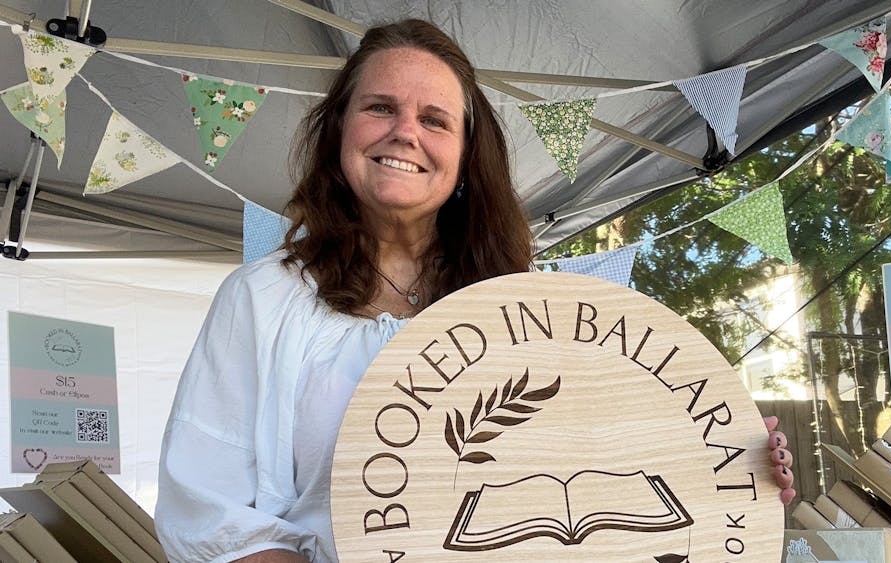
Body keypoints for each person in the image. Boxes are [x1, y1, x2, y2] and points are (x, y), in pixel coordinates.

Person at [154, 19, 794, 563]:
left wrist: (728, 463)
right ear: (339, 130)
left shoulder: (530, 307)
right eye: (380, 108)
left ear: (465, 157)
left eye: (434, 119)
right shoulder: (262, 299)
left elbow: (596, 456)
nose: (405, 132)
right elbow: (206, 512)